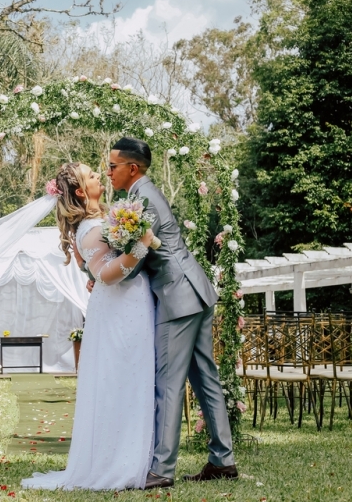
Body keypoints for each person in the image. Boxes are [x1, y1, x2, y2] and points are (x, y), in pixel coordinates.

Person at [107, 137, 237, 489]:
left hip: (178, 297)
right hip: (195, 290)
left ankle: (162, 469)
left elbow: (139, 253)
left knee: (168, 383)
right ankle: (223, 460)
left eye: (113, 166)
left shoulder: (142, 197)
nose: (108, 173)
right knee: (205, 378)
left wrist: (110, 275)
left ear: (132, 168)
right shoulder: (141, 194)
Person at [21, 162, 157, 491]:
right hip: (122, 311)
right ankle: (121, 463)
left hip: (123, 307)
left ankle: (131, 455)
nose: (100, 175)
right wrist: (143, 243)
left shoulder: (96, 223)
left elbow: (90, 271)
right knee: (124, 381)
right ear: (82, 191)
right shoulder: (93, 229)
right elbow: (107, 274)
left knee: (126, 379)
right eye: (93, 175)